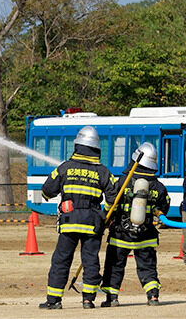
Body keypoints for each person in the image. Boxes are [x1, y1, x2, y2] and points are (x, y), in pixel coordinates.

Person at [39, 126, 118, 310]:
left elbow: (47, 190)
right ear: (96, 149)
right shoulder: (103, 171)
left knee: (61, 260)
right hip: (93, 223)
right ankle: (88, 300)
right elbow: (114, 198)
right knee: (91, 260)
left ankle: (54, 300)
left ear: (78, 146)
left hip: (69, 221)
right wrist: (105, 216)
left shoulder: (65, 167)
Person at [100, 142, 170, 307]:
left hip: (120, 235)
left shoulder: (124, 181)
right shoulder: (158, 186)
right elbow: (164, 206)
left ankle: (112, 298)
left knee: (115, 266)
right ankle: (153, 296)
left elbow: (112, 202)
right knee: (147, 267)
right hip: (146, 236)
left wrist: (106, 218)